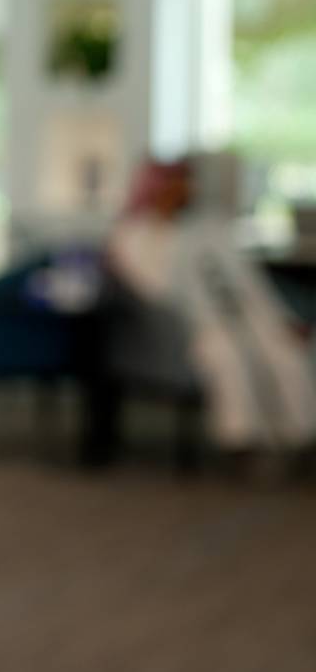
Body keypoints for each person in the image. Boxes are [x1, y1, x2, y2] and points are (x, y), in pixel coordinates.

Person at [109, 154, 316, 456]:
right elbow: (157, 289)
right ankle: (243, 444)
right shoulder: (135, 235)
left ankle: (299, 438)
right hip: (194, 322)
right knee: (229, 359)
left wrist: (283, 317)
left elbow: (252, 283)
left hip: (248, 315)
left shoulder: (212, 225)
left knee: (286, 355)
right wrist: (163, 228)